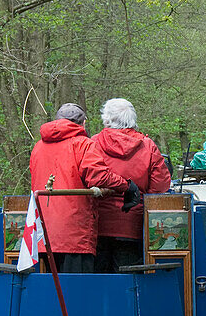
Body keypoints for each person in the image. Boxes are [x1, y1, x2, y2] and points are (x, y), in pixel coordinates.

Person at [29, 103, 140, 273]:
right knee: (77, 292)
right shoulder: (83, 144)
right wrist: (126, 186)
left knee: (50, 292)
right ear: (83, 123)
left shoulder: (38, 147)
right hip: (74, 234)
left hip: (42, 233)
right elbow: (100, 176)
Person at [91, 98, 172, 271]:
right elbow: (160, 187)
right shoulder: (147, 146)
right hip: (132, 226)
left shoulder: (93, 143)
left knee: (99, 283)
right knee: (128, 281)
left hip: (98, 226)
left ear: (106, 119)